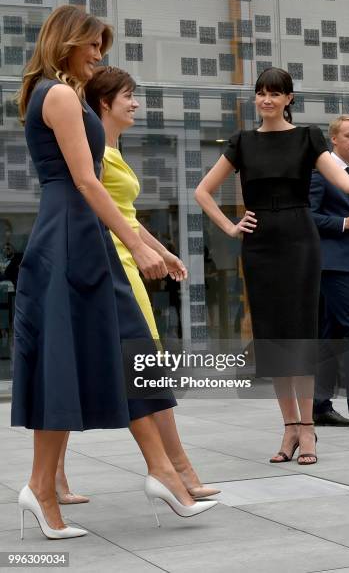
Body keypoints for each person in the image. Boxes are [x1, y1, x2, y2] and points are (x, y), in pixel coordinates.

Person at [11, 5, 216, 540]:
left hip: (82, 237)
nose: (99, 55)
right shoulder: (55, 95)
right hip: (69, 237)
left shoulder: (57, 95)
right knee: (68, 360)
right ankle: (43, 487)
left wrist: (154, 246)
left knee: (127, 349)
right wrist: (135, 244)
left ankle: (164, 473)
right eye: (92, 45)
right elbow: (86, 181)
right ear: (66, 43)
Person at [55, 64, 219, 503]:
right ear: (104, 102)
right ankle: (176, 469)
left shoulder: (112, 150)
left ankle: (55, 478)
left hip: (128, 260)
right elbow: (97, 212)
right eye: (128, 95)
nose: (136, 103)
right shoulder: (95, 155)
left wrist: (162, 250)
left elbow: (125, 216)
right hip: (111, 265)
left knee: (130, 370)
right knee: (143, 370)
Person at [195, 67, 349, 466]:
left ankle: (307, 429)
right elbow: (202, 191)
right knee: (273, 335)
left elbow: (344, 185)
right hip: (260, 244)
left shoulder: (306, 137)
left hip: (300, 239)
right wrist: (230, 226)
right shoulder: (241, 142)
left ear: (289, 99)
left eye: (275, 93)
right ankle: (289, 427)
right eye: (261, 92)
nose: (267, 99)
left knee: (300, 332)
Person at [310, 115, 349, 429]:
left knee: (330, 334)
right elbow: (308, 217)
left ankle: (320, 406)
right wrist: (346, 223)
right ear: (333, 139)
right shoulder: (322, 174)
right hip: (331, 265)